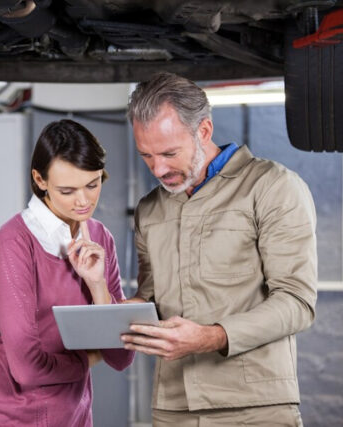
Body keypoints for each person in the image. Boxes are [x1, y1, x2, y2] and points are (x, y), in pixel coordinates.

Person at [122, 72, 317, 426]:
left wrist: (210, 337)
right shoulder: (150, 208)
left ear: (205, 131)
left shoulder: (272, 187)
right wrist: (116, 310)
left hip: (255, 406)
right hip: (173, 406)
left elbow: (297, 302)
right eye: (146, 156)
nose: (158, 169)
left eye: (169, 153)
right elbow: (151, 299)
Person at [0, 119, 134, 426]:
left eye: (93, 185)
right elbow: (26, 368)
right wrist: (87, 358)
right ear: (40, 180)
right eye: (67, 190)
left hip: (71, 414)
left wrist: (97, 285)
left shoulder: (99, 237)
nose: (83, 201)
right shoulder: (15, 241)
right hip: (4, 417)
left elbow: (120, 358)